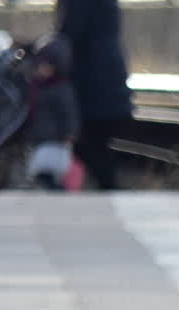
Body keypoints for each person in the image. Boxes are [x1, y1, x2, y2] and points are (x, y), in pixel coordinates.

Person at [56, 0, 132, 190]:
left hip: (92, 84)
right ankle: (107, 190)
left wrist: (40, 48)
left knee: (88, 143)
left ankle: (109, 192)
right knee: (94, 144)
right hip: (106, 80)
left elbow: (71, 33)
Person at [25, 34, 79, 191]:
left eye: (47, 65)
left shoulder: (61, 89)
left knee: (45, 170)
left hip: (54, 137)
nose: (43, 69)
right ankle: (55, 190)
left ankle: (58, 191)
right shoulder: (38, 86)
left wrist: (70, 132)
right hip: (41, 137)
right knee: (43, 170)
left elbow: (69, 113)